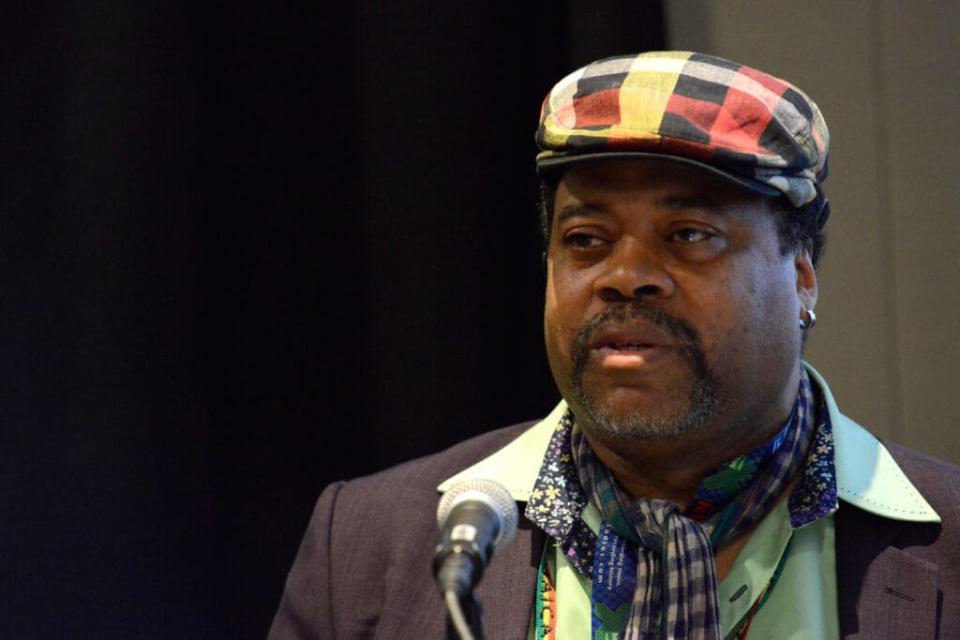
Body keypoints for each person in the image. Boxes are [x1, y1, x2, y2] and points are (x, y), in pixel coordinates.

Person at [268, 51, 960, 639]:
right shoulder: (371, 542)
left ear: (802, 278)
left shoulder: (947, 545)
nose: (625, 277)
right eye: (586, 241)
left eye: (688, 234)